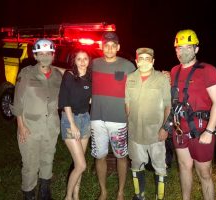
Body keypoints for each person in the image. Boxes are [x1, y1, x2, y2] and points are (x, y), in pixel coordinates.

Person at [169, 29, 216, 200]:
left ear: (196, 49)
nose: (182, 51)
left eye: (187, 48)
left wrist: (210, 130)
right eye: (179, 48)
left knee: (204, 173)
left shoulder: (208, 70)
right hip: (179, 128)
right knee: (184, 166)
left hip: (201, 130)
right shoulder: (174, 71)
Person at [11, 38, 62, 200]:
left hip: (51, 127)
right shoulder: (26, 73)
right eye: (41, 53)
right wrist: (21, 125)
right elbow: (17, 102)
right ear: (36, 55)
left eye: (48, 53)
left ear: (53, 55)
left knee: (48, 159)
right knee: (30, 163)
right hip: (30, 127)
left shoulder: (57, 76)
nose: (45, 56)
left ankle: (44, 191)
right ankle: (29, 193)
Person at [90, 32, 136, 200]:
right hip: (96, 119)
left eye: (112, 45)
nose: (109, 48)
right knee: (99, 156)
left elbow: (142, 79)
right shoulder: (93, 64)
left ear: (118, 47)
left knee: (121, 156)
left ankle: (121, 192)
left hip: (119, 120)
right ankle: (103, 191)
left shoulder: (128, 66)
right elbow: (76, 73)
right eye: (106, 45)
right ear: (102, 46)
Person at [125, 48, 171, 200]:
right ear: (136, 61)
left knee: (160, 167)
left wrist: (165, 128)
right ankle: (140, 195)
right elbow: (127, 104)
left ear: (153, 61)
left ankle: (160, 197)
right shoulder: (130, 78)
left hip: (156, 132)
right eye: (141, 58)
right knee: (136, 164)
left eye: (147, 58)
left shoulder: (162, 79)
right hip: (135, 132)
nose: (144, 61)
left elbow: (167, 105)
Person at [58, 48, 92, 200]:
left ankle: (76, 195)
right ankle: (68, 197)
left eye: (85, 58)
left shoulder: (91, 78)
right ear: (74, 61)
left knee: (80, 163)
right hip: (70, 119)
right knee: (81, 165)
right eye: (79, 59)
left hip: (85, 119)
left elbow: (90, 98)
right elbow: (65, 100)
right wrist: (72, 124)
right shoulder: (69, 75)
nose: (82, 62)